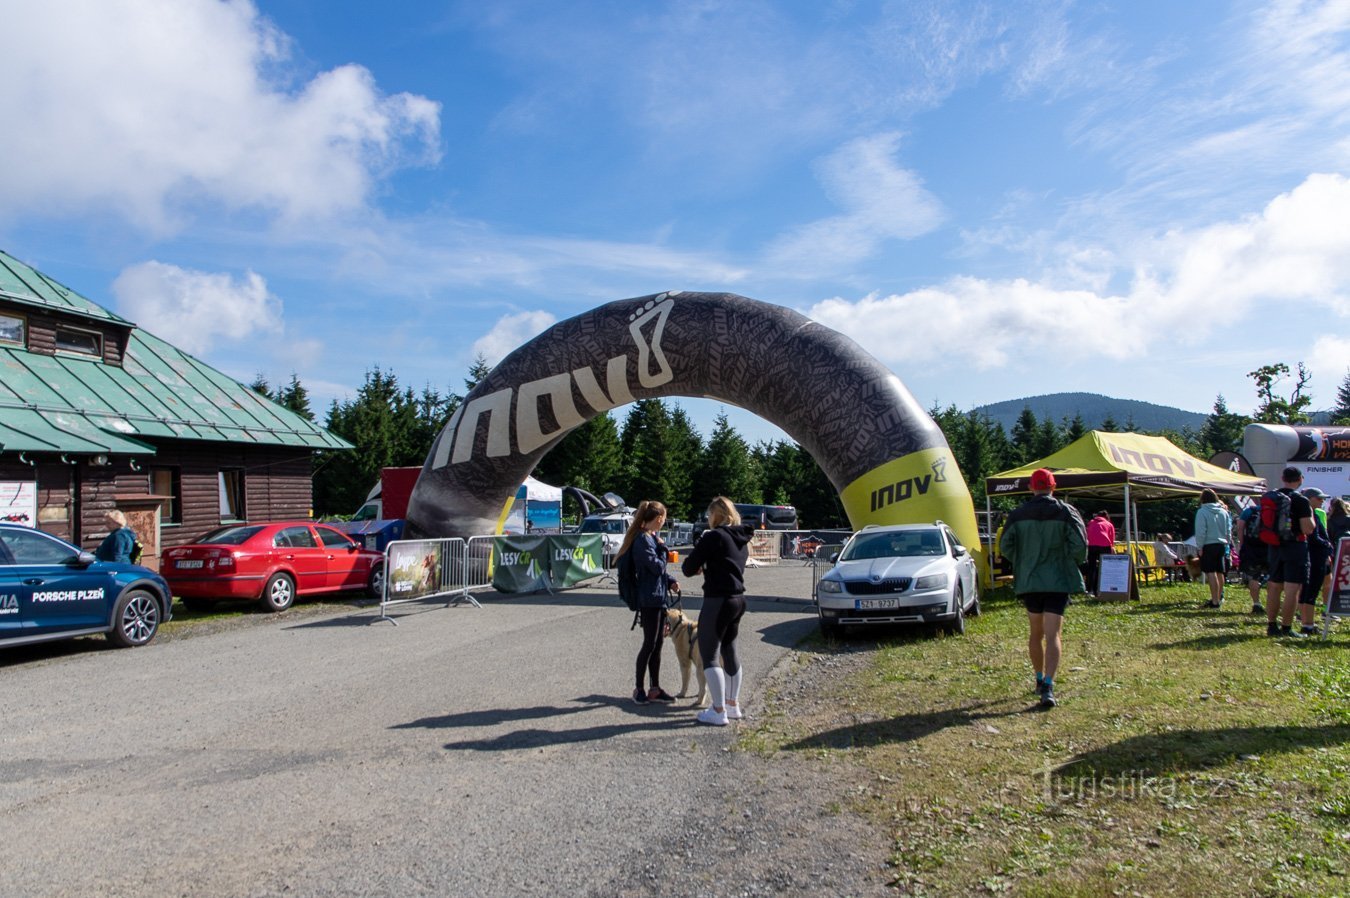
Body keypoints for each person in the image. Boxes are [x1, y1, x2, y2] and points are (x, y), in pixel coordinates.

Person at [999, 468, 1087, 709]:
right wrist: (1069, 560)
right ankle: (1048, 684)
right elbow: (1080, 545)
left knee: (1035, 632)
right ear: (1053, 486)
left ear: (1031, 487)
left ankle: (1038, 679)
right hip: (1057, 579)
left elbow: (1005, 545)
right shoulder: (1066, 512)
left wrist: (1022, 560)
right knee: (1053, 634)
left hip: (1029, 580)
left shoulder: (1017, 515)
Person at [681, 496, 756, 726]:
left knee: (709, 653)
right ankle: (733, 705)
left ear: (716, 514)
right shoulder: (741, 537)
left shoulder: (713, 537)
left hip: (717, 600)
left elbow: (687, 568)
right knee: (730, 651)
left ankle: (718, 709)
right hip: (738, 599)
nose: (707, 518)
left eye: (709, 514)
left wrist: (702, 566)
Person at [616, 501, 682, 704]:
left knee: (658, 643)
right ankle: (639, 688)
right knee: (650, 644)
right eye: (663, 517)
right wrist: (663, 550)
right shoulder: (643, 540)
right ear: (659, 518)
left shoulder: (649, 538)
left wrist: (670, 581)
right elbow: (655, 566)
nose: (664, 521)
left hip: (657, 597)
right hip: (649, 599)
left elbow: (657, 571)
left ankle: (655, 688)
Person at [1264, 466, 1315, 638]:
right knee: (1292, 588)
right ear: (1300, 479)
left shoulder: (1272, 496)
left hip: (1275, 545)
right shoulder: (1300, 500)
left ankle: (1271, 625)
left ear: (1283, 478)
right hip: (1295, 546)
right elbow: (1307, 528)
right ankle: (1286, 627)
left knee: (1274, 586)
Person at [1297, 487, 1333, 636]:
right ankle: (1308, 625)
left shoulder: (1309, 513)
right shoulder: (1309, 515)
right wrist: (1328, 545)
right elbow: (1313, 537)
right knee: (1310, 592)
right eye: (1319, 498)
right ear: (1309, 499)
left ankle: (1306, 623)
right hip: (1315, 557)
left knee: (1307, 591)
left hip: (1309, 556)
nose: (1322, 501)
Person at [1194, 489, 1232, 609]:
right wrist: (1227, 543)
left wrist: (1199, 547)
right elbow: (1228, 530)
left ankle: (1214, 600)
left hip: (1208, 544)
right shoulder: (1223, 512)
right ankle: (1220, 597)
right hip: (1221, 545)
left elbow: (1201, 531)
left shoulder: (1202, 512)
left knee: (1211, 572)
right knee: (1220, 572)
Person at [1235, 501, 1268, 614]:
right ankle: (1273, 604)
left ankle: (1256, 603)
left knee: (1254, 576)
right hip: (1269, 548)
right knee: (1274, 578)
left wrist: (1242, 544)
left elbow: (1240, 528)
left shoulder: (1249, 511)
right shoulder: (1275, 510)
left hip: (1252, 548)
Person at [1084, 510, 1115, 597]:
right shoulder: (1109, 524)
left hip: (1092, 545)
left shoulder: (1091, 522)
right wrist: (1112, 547)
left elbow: (1087, 533)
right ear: (1106, 517)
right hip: (1105, 546)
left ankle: (1090, 590)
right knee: (1105, 568)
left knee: (1092, 567)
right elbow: (1111, 539)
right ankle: (1103, 588)